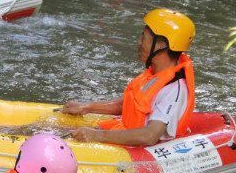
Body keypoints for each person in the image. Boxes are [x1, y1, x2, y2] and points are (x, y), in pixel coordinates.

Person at [65, 9, 195, 146]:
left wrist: (97, 135)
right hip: (124, 132)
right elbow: (126, 105)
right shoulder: (154, 74)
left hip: (139, 151)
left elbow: (149, 135)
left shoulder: (173, 90)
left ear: (161, 45)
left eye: (144, 37)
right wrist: (85, 107)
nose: (139, 42)